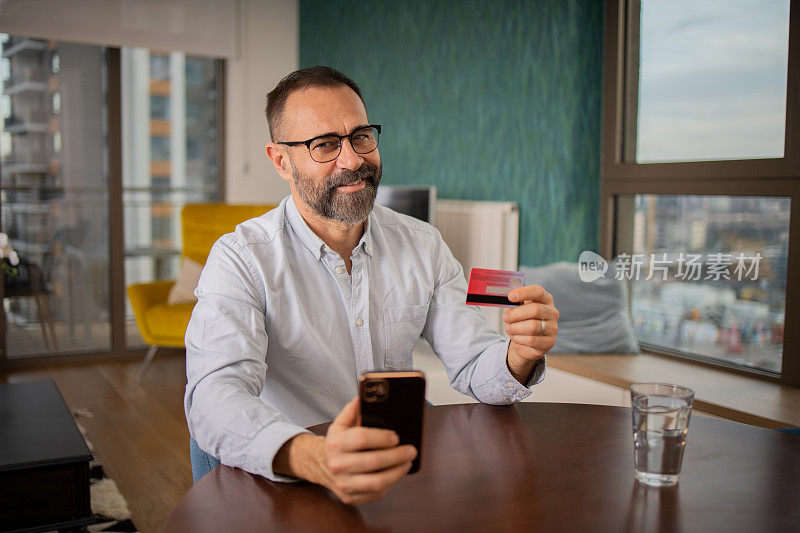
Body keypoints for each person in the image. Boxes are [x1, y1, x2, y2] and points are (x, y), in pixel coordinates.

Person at [184, 66, 559, 505]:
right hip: (288, 468)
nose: (353, 159)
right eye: (324, 145)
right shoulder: (240, 258)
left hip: (392, 460)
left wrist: (519, 355)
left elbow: (475, 364)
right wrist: (315, 456)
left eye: (361, 136)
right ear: (281, 161)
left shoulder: (423, 244)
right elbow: (215, 396)